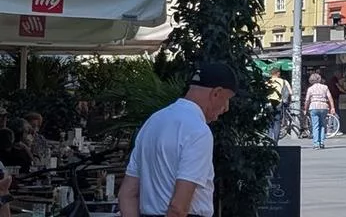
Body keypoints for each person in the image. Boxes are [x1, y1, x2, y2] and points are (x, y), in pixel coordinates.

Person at [118, 62, 237, 217]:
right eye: (227, 99)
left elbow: (127, 195)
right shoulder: (198, 131)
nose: (226, 108)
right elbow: (178, 207)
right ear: (216, 93)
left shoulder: (153, 122)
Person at [304, 73, 336, 150]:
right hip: (324, 107)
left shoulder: (310, 89)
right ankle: (321, 142)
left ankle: (316, 143)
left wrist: (305, 109)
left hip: (313, 107)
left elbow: (307, 100)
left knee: (315, 126)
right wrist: (332, 107)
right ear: (319, 79)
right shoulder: (325, 87)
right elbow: (330, 97)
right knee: (322, 125)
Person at [266, 68, 292, 142]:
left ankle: (269, 139)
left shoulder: (267, 82)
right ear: (278, 73)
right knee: (277, 122)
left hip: (269, 103)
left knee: (270, 122)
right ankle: (275, 141)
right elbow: (290, 92)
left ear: (271, 74)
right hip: (278, 103)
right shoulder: (284, 81)